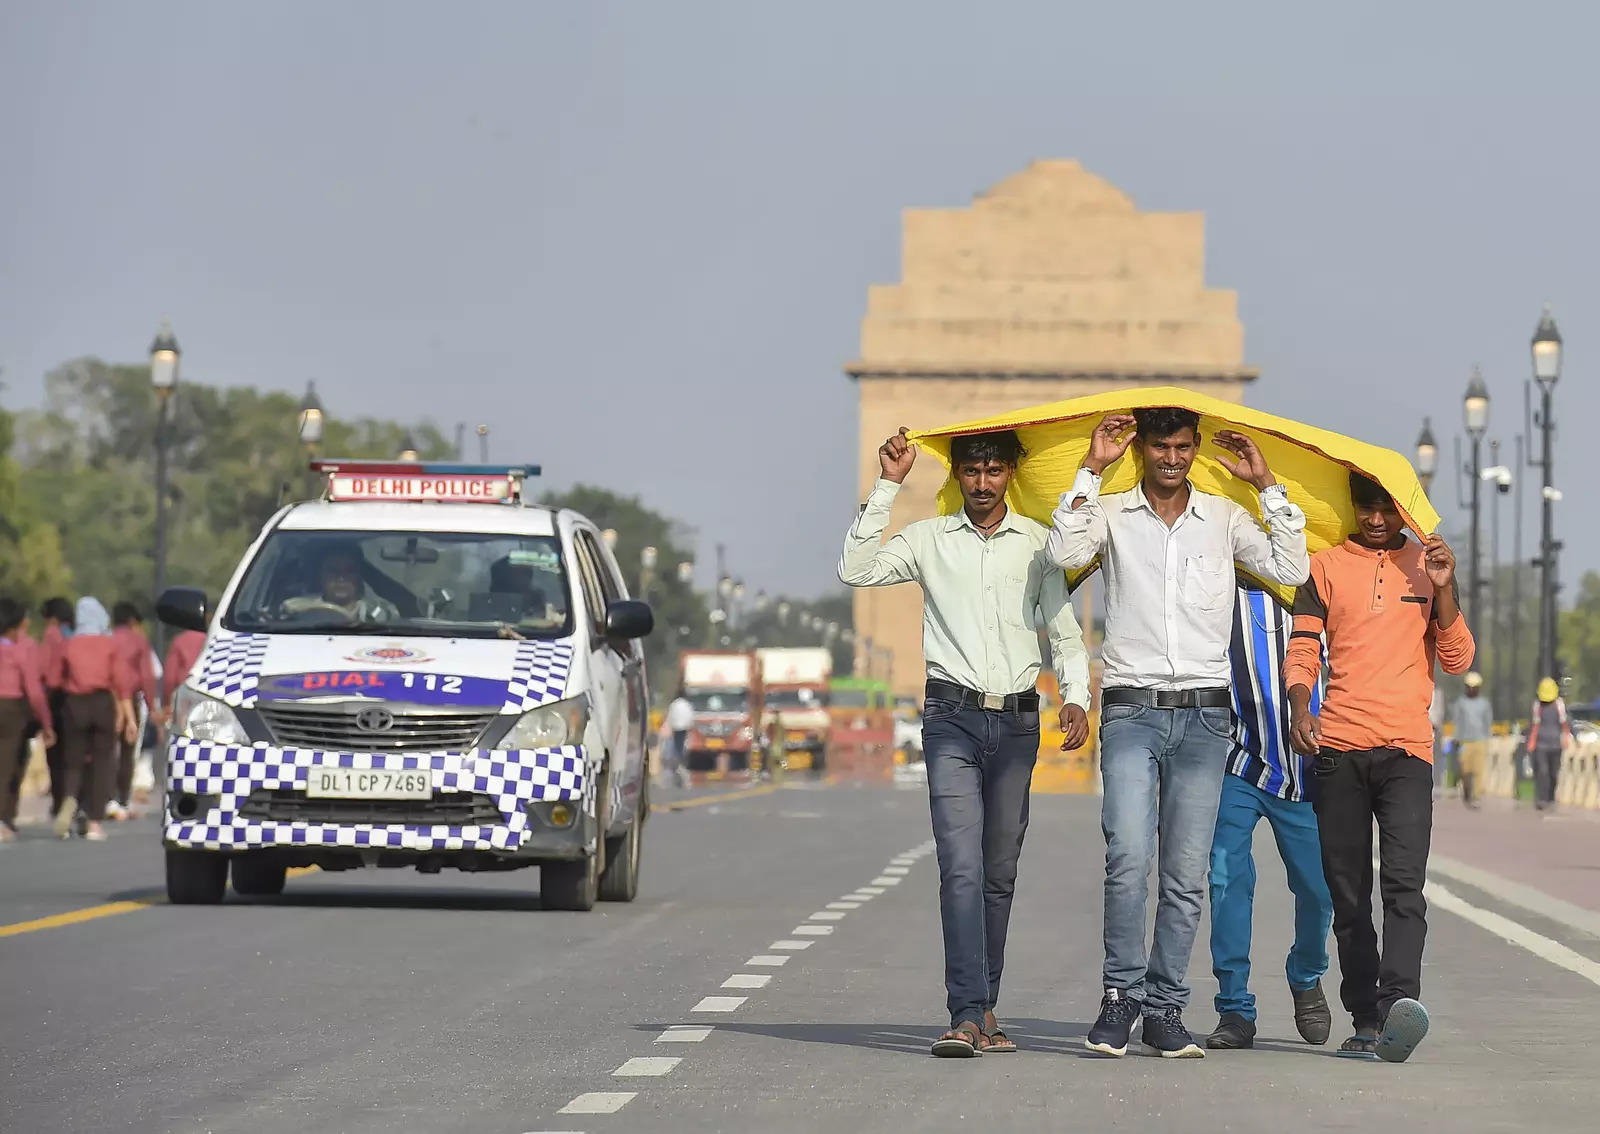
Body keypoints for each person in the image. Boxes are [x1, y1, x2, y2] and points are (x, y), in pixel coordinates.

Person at [1047, 407, 1309, 1059]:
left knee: (1186, 874)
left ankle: (1165, 1008)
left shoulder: (1224, 518)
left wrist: (1265, 484)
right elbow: (1062, 552)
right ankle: (1119, 996)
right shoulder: (1109, 514)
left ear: (1194, 450)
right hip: (1133, 710)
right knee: (1128, 858)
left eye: (1182, 446)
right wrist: (1091, 466)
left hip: (1204, 717)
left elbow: (1292, 567)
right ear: (1141, 452)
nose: (1171, 457)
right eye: (1159, 446)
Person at [842, 426, 1090, 1058]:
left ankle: (988, 1006)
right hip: (950, 717)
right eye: (972, 471)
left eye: (994, 470)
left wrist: (1078, 697)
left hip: (1015, 724)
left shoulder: (1039, 545)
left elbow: (1062, 632)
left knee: (999, 872)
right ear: (957, 476)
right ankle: (964, 1012)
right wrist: (889, 487)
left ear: (1011, 472)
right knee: (961, 866)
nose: (983, 483)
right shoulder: (929, 540)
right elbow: (856, 567)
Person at [1286, 472, 1474, 1063]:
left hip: (1406, 751)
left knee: (1404, 885)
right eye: (1365, 509)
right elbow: (1303, 648)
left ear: (1404, 511)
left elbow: (1459, 657)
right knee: (1347, 894)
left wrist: (1444, 591)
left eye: (1386, 510)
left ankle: (1399, 1008)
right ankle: (1363, 1016)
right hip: (1338, 749)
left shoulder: (1428, 566)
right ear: (1353, 507)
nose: (1375, 520)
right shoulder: (1322, 567)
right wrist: (1298, 704)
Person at [1205, 579, 1333, 1051]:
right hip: (1239, 760)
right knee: (1226, 878)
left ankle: (1306, 973)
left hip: (1311, 770)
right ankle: (1234, 1007)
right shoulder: (1226, 579)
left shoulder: (1323, 582)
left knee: (1321, 890)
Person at [46, 598, 137, 841]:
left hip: (74, 705)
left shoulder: (68, 645)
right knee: (101, 763)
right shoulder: (108, 645)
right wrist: (129, 719)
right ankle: (94, 822)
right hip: (102, 704)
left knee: (73, 762)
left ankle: (69, 801)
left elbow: (53, 680)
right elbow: (122, 684)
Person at [1, 598, 56, 842]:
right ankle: (4, 818)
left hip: (13, 710)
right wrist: (46, 723)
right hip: (11, 710)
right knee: (8, 767)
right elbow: (33, 690)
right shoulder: (22, 647)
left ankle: (7, 818)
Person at [110, 601, 159, 819]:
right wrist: (152, 706)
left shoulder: (106, 638)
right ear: (133, 622)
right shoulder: (139, 642)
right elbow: (147, 677)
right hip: (130, 699)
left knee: (105, 751)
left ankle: (104, 798)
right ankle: (122, 799)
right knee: (128, 752)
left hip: (107, 698)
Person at [281, 544, 395, 622]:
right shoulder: (298, 609)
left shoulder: (380, 612)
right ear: (320, 575)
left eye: (349, 571)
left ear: (359, 576)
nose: (341, 578)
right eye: (333, 571)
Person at [39, 596, 73, 817]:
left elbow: (46, 669)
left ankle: (59, 800)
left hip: (55, 695)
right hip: (75, 696)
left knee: (55, 753)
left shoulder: (52, 634)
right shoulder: (76, 634)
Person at [1525, 678, 1571, 811]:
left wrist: (1567, 738)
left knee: (1553, 773)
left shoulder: (1559, 704)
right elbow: (1535, 725)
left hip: (1556, 744)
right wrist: (1531, 742)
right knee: (1542, 772)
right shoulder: (1537, 705)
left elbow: (1564, 724)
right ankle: (1542, 799)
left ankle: (1551, 798)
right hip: (1541, 745)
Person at [1452, 673, 1493, 808]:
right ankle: (1467, 790)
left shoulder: (1484, 704)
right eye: (1469, 687)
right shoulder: (1461, 702)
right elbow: (1457, 721)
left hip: (1480, 740)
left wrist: (1488, 738)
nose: (1471, 689)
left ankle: (1475, 796)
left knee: (1478, 770)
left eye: (1474, 687)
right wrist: (1456, 738)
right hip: (1464, 741)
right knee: (1464, 768)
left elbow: (1488, 722)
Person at [662, 689, 694, 789]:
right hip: (684, 727)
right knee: (682, 743)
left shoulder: (674, 704)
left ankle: (677, 759)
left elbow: (670, 715)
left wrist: (671, 725)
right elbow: (690, 716)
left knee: (676, 743)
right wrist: (690, 725)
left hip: (676, 727)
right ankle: (680, 759)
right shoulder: (687, 704)